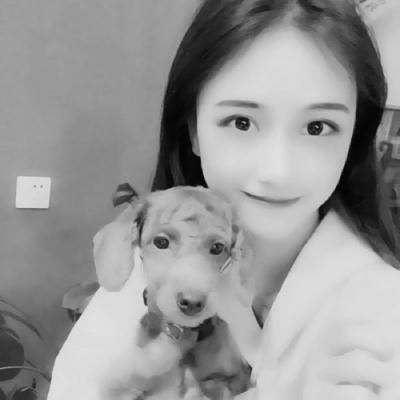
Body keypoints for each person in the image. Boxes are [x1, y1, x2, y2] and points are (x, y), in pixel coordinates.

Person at [48, 0, 400, 399]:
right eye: (241, 122)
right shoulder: (132, 290)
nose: (277, 170)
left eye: (318, 127)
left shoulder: (382, 315)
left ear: (355, 136)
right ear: (193, 129)